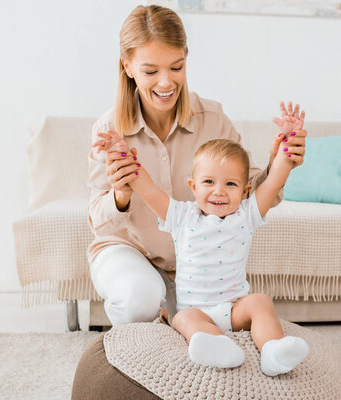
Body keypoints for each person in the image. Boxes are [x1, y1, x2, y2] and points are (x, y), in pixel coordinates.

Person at [87, 4, 307, 329]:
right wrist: (121, 194)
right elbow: (99, 223)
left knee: (197, 324)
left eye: (176, 67)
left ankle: (166, 318)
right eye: (150, 71)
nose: (166, 83)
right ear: (128, 66)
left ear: (186, 58)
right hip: (128, 250)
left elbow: (248, 200)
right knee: (139, 298)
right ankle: (135, 344)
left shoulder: (213, 120)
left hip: (194, 265)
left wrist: (281, 160)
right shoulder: (110, 130)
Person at [94, 133, 309, 376]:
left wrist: (286, 148)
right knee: (182, 319)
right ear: (193, 186)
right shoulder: (181, 216)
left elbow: (272, 183)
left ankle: (273, 351)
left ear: (245, 190)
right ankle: (217, 346)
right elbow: (148, 189)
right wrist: (120, 152)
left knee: (261, 302)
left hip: (234, 308)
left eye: (230, 184)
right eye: (209, 182)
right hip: (196, 311)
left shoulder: (246, 215)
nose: (219, 191)